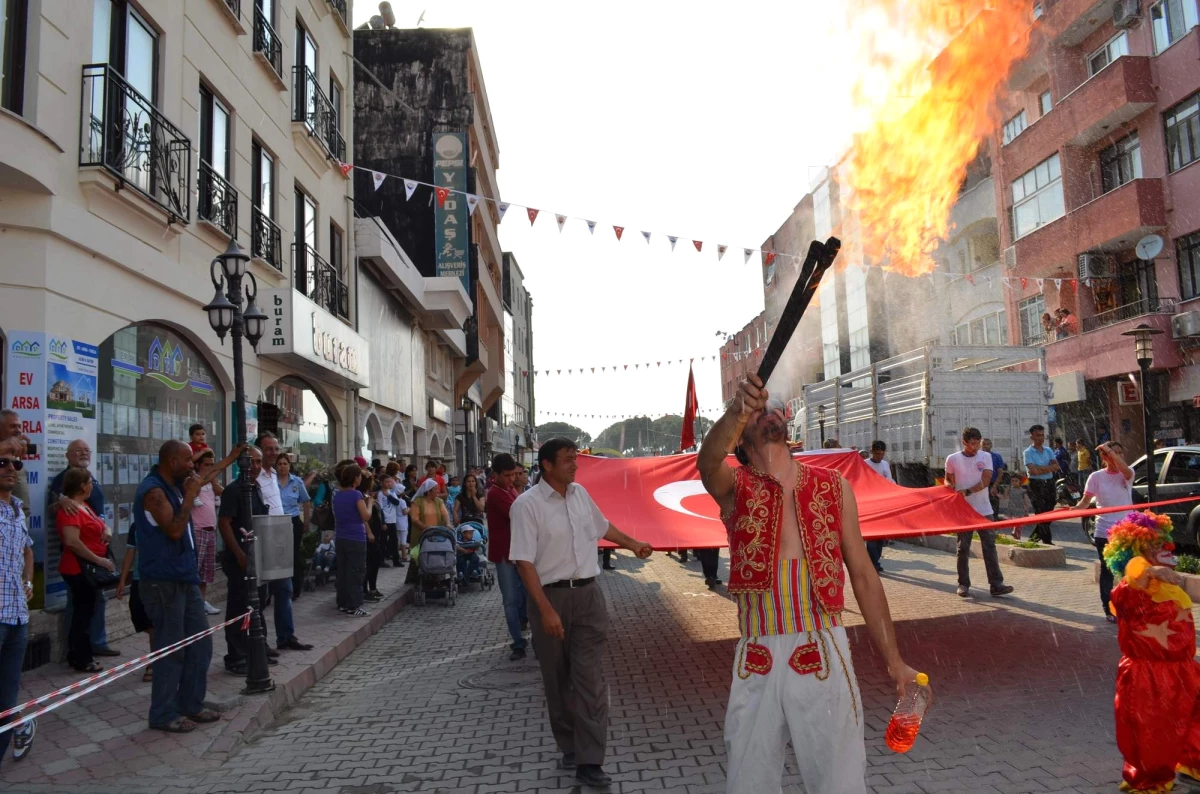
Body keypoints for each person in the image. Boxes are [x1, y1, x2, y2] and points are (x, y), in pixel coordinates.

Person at [697, 375, 920, 793]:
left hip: (822, 642)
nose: (770, 412)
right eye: (758, 411)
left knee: (838, 778)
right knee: (748, 780)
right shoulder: (735, 487)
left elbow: (864, 577)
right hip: (758, 649)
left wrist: (895, 661)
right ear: (740, 439)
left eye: (774, 408)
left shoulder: (835, 487)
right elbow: (707, 462)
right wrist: (735, 410)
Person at [510, 438, 654, 788]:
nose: (575, 465)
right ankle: (569, 744)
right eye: (567, 460)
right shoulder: (527, 505)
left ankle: (590, 760)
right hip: (550, 600)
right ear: (546, 465)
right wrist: (544, 610)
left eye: (576, 459)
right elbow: (523, 562)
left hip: (589, 597)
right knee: (558, 681)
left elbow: (603, 527)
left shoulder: (580, 495)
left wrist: (633, 544)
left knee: (589, 680)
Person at [1102, 511, 1200, 792]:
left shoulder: (1167, 585)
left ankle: (1193, 764)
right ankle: (1151, 780)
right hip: (1150, 674)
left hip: (1184, 667)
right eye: (1154, 545)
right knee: (1153, 731)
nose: (1166, 548)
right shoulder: (1130, 590)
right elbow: (1130, 581)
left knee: (1194, 719)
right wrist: (1148, 570)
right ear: (1136, 551)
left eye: (1163, 542)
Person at [134, 440, 217, 733]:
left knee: (200, 643)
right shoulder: (153, 491)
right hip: (162, 581)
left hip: (184, 577)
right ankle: (163, 714)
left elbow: (205, 477)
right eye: (187, 461)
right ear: (171, 462)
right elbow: (173, 529)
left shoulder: (174, 485)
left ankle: (190, 704)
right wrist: (190, 496)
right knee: (171, 650)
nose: (192, 466)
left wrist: (232, 457)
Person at [46, 439, 117, 656]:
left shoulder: (90, 478)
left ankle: (96, 643)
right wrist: (60, 502)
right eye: (78, 451)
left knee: (95, 601)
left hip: (95, 556)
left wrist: (105, 527)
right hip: (80, 562)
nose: (83, 453)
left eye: (87, 450)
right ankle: (76, 652)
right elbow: (57, 511)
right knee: (78, 606)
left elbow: (94, 512)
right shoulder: (64, 481)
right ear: (68, 455)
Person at [56, 468, 115, 673]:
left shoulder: (85, 506)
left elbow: (101, 523)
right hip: (78, 569)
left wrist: (106, 530)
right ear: (82, 485)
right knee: (83, 614)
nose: (93, 485)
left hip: (90, 568)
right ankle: (82, 658)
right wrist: (99, 560)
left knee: (87, 611)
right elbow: (72, 542)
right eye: (90, 482)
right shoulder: (69, 509)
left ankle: (80, 654)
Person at [946, 427, 1014, 599]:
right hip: (964, 511)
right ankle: (963, 584)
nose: (975, 447)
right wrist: (949, 487)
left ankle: (996, 584)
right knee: (963, 548)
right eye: (972, 444)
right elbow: (948, 478)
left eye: (977, 443)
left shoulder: (986, 457)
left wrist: (967, 491)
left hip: (984, 510)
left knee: (990, 546)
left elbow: (985, 481)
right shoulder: (952, 459)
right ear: (964, 442)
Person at [253, 434, 307, 649]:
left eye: (276, 448)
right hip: (260, 538)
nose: (273, 453)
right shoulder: (254, 477)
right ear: (259, 451)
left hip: (279, 536)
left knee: (284, 589)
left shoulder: (274, 474)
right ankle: (260, 643)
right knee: (260, 595)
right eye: (268, 449)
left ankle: (286, 637)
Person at [0, 452, 36, 764]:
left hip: (17, 617)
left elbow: (27, 550)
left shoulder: (16, 510)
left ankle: (20, 724)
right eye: (3, 463)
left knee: (6, 702)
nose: (11, 469)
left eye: (16, 464)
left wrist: (29, 582)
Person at [1080, 441, 1134, 621]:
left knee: (1130, 570)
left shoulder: (1127, 474)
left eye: (1120, 453)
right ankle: (1109, 609)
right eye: (1112, 454)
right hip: (1104, 531)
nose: (1116, 457)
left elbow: (1125, 469)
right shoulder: (1095, 477)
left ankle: (1128, 606)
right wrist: (1074, 509)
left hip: (1126, 531)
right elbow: (1085, 502)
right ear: (1104, 458)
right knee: (1107, 570)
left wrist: (1110, 450)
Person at [486, 454, 529, 661]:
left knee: (527, 595)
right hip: (505, 553)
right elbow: (518, 514)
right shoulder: (495, 493)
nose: (512, 479)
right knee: (510, 600)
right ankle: (518, 642)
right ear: (496, 475)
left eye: (514, 475)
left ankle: (526, 637)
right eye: (508, 475)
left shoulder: (509, 489)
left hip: (518, 551)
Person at [192, 446, 241, 615]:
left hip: (211, 530)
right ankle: (193, 604)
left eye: (212, 464)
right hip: (197, 530)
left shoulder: (212, 484)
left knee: (206, 572)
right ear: (198, 465)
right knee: (195, 571)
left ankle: (202, 602)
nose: (210, 468)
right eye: (206, 464)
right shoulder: (194, 481)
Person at [116, 516, 154, 683]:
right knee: (138, 615)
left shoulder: (167, 521)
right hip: (140, 579)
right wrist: (123, 580)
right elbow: (131, 551)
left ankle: (155, 661)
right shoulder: (136, 525)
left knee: (155, 624)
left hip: (160, 579)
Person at [333, 463, 373, 617]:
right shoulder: (356, 495)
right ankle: (354, 605)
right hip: (355, 537)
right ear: (355, 478)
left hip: (341, 537)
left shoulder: (338, 495)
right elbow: (365, 516)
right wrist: (369, 503)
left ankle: (342, 603)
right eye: (360, 476)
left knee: (342, 571)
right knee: (356, 572)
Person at [275, 453, 312, 597]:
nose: (282, 466)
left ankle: (295, 589)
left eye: (285, 464)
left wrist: (306, 522)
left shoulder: (296, 482)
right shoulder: (272, 482)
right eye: (280, 464)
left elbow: (306, 501)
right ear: (276, 466)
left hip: (293, 521)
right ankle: (278, 588)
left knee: (293, 555)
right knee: (278, 555)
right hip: (276, 522)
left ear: (289, 466)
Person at [1023, 424, 1060, 545]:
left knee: (1049, 510)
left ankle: (1033, 538)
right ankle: (1047, 540)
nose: (1041, 438)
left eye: (1042, 435)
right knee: (1040, 512)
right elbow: (1033, 471)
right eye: (1038, 435)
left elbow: (1056, 466)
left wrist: (1041, 468)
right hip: (1035, 484)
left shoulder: (1048, 450)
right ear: (1032, 436)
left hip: (1049, 483)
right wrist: (1048, 468)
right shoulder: (1028, 452)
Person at [863, 440, 892, 573]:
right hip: (870, 504)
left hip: (884, 503)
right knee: (872, 536)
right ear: (871, 452)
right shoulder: (865, 465)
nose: (879, 456)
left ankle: (875, 561)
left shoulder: (885, 464)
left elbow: (889, 481)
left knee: (881, 537)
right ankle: (873, 563)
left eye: (882, 453)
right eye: (877, 453)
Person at [361, 472, 385, 602]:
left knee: (374, 562)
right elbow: (364, 518)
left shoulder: (367, 496)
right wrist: (369, 532)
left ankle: (373, 588)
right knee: (369, 563)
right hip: (368, 536)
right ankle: (365, 590)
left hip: (376, 534)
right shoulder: (362, 498)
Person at [376, 473, 405, 568]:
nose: (388, 484)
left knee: (394, 541)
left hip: (393, 520)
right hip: (386, 520)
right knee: (383, 541)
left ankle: (396, 560)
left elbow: (397, 503)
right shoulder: (380, 494)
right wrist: (383, 522)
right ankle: (380, 560)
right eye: (386, 482)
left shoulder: (391, 492)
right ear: (382, 483)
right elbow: (380, 508)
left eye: (390, 481)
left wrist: (388, 495)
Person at [982, 438, 1007, 521]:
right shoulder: (977, 456)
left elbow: (1000, 473)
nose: (985, 446)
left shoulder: (996, 457)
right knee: (981, 507)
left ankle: (993, 527)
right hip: (980, 485)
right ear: (980, 445)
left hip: (993, 484)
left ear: (991, 445)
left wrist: (995, 486)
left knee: (994, 507)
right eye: (983, 444)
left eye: (987, 444)